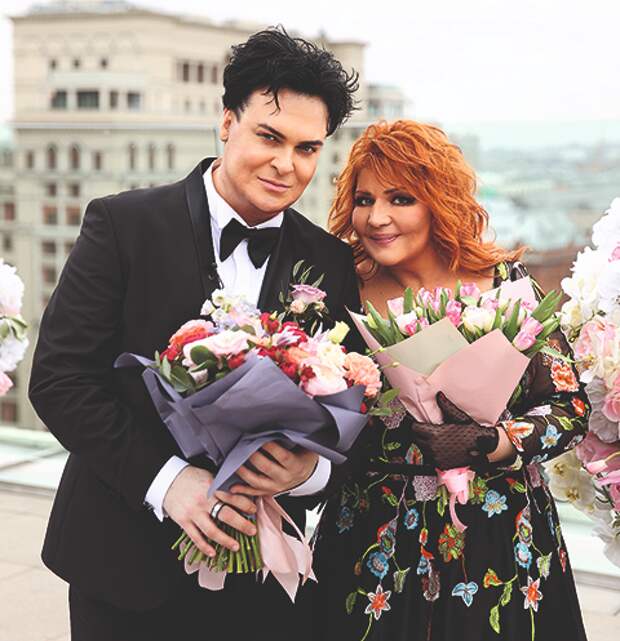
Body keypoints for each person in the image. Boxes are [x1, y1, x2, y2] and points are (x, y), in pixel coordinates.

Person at [29, 27, 360, 641]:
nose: (286, 164)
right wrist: (168, 482)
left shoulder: (332, 263)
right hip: (121, 567)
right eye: (269, 136)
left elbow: (352, 416)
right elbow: (60, 381)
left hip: (262, 580)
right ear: (226, 122)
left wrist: (305, 472)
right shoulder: (122, 224)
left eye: (307, 148)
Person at [312, 120, 590, 641]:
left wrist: (495, 441)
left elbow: (569, 407)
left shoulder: (506, 284)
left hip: (501, 538)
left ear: (438, 202)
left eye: (400, 198)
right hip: (373, 539)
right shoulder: (339, 294)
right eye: (364, 199)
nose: (376, 217)